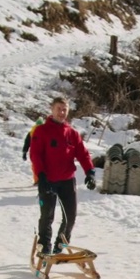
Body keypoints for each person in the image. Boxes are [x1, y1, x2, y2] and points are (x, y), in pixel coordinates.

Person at [22, 96, 97, 255]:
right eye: (59, 109)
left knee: (70, 217)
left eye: (65, 110)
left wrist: (90, 172)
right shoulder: (42, 131)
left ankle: (60, 246)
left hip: (67, 181)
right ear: (52, 109)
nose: (62, 113)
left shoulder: (72, 134)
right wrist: (41, 175)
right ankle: (44, 248)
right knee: (47, 216)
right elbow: (35, 155)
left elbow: (83, 155)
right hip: (47, 180)